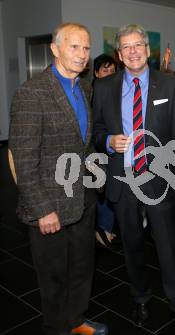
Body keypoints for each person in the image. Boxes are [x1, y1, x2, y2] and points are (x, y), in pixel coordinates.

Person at [93, 24, 175, 335]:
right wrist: (109, 141)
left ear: (147, 49)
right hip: (122, 179)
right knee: (132, 246)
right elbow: (96, 131)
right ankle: (140, 298)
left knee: (168, 248)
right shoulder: (104, 87)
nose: (133, 51)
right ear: (119, 54)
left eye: (138, 44)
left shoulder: (168, 84)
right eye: (126, 47)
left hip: (159, 179)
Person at [9, 23, 108, 335]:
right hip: (50, 204)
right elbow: (23, 158)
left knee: (81, 267)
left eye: (86, 48)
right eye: (74, 47)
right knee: (53, 276)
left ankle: (76, 320)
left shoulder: (85, 88)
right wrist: (41, 208)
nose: (81, 55)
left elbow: (83, 141)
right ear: (55, 49)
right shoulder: (32, 92)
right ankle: (57, 328)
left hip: (83, 197)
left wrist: (96, 168)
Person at [92, 54, 118, 247]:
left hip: (115, 148)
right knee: (101, 189)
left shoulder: (120, 91)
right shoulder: (90, 93)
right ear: (96, 73)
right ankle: (103, 228)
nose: (109, 74)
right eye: (104, 70)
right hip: (96, 148)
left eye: (112, 70)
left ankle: (106, 227)